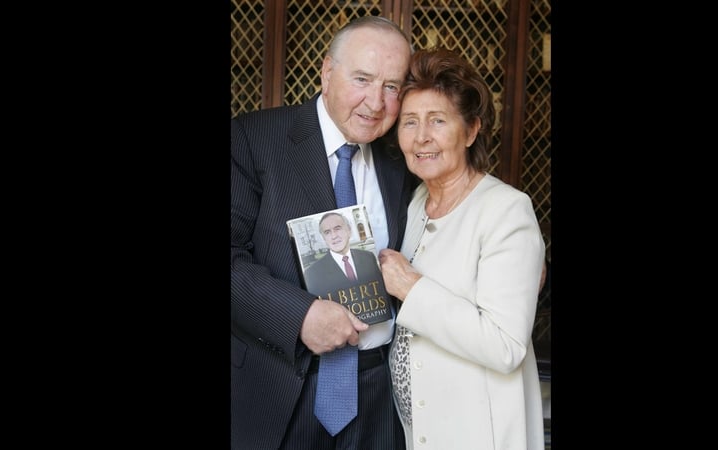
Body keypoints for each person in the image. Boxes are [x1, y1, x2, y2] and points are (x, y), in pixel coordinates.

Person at [231, 16, 416, 450]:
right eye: (363, 79)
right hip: (278, 389)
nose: (376, 102)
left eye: (392, 86)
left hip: (379, 398)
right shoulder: (253, 137)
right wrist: (301, 317)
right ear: (327, 73)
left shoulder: (404, 157)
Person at [378, 47, 547, 450]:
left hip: (476, 433)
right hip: (417, 430)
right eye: (409, 122)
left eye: (437, 121)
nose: (421, 137)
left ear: (471, 130)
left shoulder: (506, 210)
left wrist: (411, 287)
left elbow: (505, 345)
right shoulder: (416, 201)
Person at [303, 212, 383, 297]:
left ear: (349, 231)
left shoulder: (368, 257)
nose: (333, 236)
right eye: (327, 232)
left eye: (337, 229)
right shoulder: (312, 273)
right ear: (324, 238)